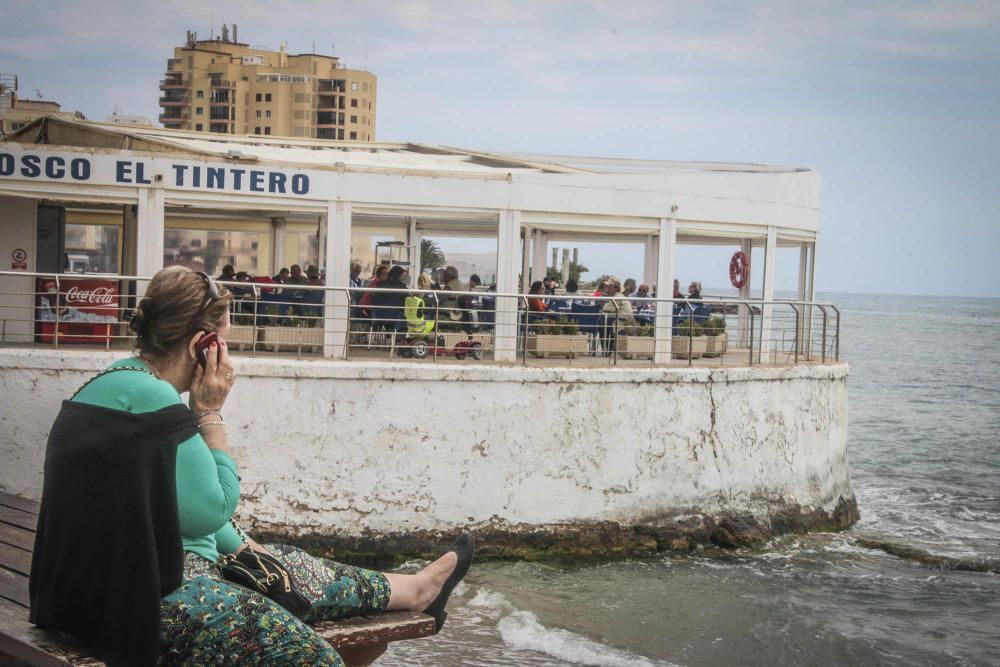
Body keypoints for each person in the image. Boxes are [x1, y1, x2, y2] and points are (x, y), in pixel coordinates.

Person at [28, 266, 474, 665]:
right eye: (224, 339)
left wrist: (239, 545)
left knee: (281, 564)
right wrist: (209, 413)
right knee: (313, 657)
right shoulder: (159, 402)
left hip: (80, 588)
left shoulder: (110, 381)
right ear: (203, 344)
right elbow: (212, 508)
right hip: (141, 598)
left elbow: (171, 504)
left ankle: (415, 589)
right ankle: (410, 592)